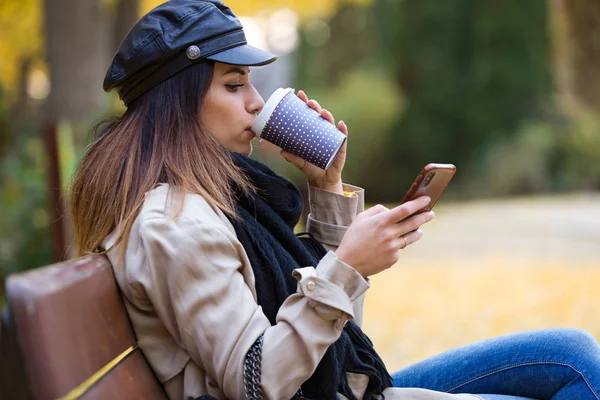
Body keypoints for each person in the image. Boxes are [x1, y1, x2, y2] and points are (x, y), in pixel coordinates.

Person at [70, 1, 600, 399]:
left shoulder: (215, 203)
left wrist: (326, 187)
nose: (256, 102)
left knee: (573, 356)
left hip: (340, 388)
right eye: (234, 86)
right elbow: (258, 381)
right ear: (179, 105)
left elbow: (332, 339)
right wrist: (346, 265)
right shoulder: (175, 225)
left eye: (250, 82)